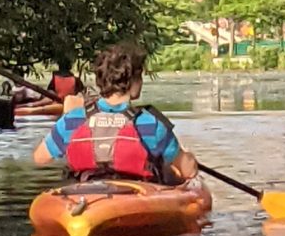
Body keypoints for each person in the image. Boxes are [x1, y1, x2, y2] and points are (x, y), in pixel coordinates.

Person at [34, 44, 199, 186]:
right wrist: (188, 155)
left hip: (85, 193)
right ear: (133, 81)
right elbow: (187, 171)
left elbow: (40, 158)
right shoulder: (149, 123)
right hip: (137, 194)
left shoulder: (73, 119)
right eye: (139, 77)